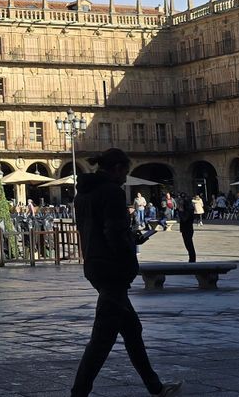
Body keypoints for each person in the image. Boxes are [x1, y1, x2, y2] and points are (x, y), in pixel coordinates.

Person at [69, 148, 183, 397]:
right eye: (125, 172)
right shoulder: (111, 192)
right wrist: (129, 254)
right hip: (113, 268)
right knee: (102, 339)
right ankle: (78, 393)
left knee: (132, 330)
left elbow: (92, 231)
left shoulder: (82, 195)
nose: (125, 178)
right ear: (117, 168)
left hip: (95, 264)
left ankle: (156, 387)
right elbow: (113, 232)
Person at [176, 191, 198, 263]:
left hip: (187, 228)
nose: (180, 201)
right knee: (188, 244)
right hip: (186, 228)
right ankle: (191, 259)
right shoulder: (188, 207)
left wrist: (181, 211)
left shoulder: (188, 209)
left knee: (189, 244)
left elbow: (184, 219)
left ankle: (192, 259)